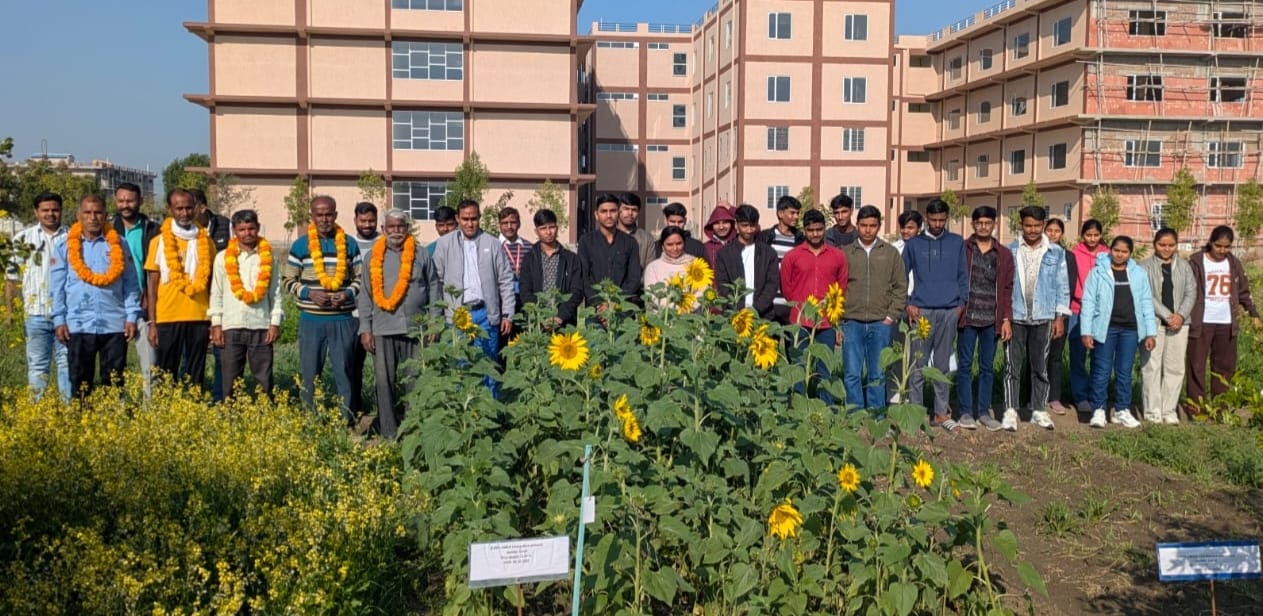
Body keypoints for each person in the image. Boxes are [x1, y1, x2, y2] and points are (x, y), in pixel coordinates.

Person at [358, 209, 440, 439]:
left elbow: (434, 287)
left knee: (416, 380)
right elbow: (365, 294)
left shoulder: (421, 254)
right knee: (385, 383)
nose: (396, 231)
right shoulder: (372, 257)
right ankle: (389, 433)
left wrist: (434, 321)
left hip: (416, 329)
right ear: (383, 229)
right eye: (391, 227)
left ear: (407, 228)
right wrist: (365, 328)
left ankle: (414, 430)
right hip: (383, 328)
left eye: (400, 226)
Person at [282, 195, 364, 423]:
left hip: (343, 319)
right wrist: (309, 293)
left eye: (329, 214)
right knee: (310, 373)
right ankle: (312, 420)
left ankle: (345, 420)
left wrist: (347, 293)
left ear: (335, 215)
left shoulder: (349, 243)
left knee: (345, 372)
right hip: (311, 320)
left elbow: (360, 279)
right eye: (319, 215)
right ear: (312, 216)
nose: (324, 219)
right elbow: (288, 280)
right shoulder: (301, 245)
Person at [50, 194, 141, 397]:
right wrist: (59, 320)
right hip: (79, 323)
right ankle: (82, 417)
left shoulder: (119, 244)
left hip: (114, 324)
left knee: (114, 382)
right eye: (87, 212)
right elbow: (57, 288)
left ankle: (112, 416)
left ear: (106, 216)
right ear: (78, 215)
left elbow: (131, 283)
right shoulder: (65, 246)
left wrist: (131, 316)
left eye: (98, 212)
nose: (93, 218)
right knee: (80, 383)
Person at [433, 199, 515, 396]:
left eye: (474, 219)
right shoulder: (445, 244)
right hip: (457, 315)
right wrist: (436, 318)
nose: (470, 223)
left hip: (486, 314)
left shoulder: (492, 243)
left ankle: (490, 408)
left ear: (480, 218)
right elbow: (437, 282)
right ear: (457, 219)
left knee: (488, 364)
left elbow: (505, 280)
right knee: (460, 365)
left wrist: (507, 314)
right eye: (465, 219)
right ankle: (464, 409)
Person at [1001, 206, 1069, 431]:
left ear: (1043, 225)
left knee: (1040, 366)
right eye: (1028, 225)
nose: (1032, 230)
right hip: (1016, 316)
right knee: (1012, 365)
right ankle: (1010, 410)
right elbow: (1005, 286)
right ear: (1021, 225)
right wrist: (1005, 318)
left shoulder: (1055, 252)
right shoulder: (1010, 251)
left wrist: (1059, 316)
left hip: (1043, 316)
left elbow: (1062, 285)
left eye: (1037, 226)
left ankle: (1039, 409)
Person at [902, 198, 968, 430]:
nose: (938, 224)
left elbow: (963, 276)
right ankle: (916, 412)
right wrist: (907, 304)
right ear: (926, 218)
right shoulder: (914, 244)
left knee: (942, 366)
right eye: (933, 220)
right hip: (921, 311)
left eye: (942, 220)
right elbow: (901, 277)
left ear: (947, 218)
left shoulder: (956, 242)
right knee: (917, 364)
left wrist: (960, 305)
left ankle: (940, 412)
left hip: (949, 311)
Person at [1185, 225, 1261, 418]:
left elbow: (1244, 292)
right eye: (1218, 246)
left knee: (1224, 367)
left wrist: (1253, 313)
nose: (1222, 250)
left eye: (1227, 247)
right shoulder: (1196, 262)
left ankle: (1220, 408)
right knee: (1196, 365)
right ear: (1210, 242)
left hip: (1226, 322)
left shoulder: (1233, 264)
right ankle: (1196, 408)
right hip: (1201, 321)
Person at [1080, 236, 1155, 429]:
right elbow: (1088, 302)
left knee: (1124, 372)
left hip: (1130, 329)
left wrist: (1150, 332)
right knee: (1101, 370)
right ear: (1110, 250)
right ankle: (1099, 409)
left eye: (1124, 251)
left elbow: (1146, 302)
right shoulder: (1098, 272)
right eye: (1116, 250)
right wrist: (1086, 331)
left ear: (1130, 253)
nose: (1120, 254)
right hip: (1105, 329)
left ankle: (1122, 410)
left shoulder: (1138, 274)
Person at [209, 209, 283, 398]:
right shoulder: (222, 258)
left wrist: (275, 323)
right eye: (242, 229)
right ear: (234, 231)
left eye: (251, 228)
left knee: (264, 379)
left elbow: (275, 292)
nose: (247, 233)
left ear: (258, 228)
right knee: (230, 379)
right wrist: (216, 324)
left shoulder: (269, 258)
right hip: (231, 325)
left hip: (261, 325)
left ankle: (264, 412)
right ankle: (230, 414)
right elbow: (216, 292)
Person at [145, 189, 214, 390]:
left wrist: (214, 320)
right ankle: (165, 407)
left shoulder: (206, 242)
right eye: (179, 208)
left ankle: (193, 405)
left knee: (196, 373)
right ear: (169, 209)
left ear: (196, 209)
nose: (185, 213)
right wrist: (152, 323)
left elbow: (211, 283)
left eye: (189, 208)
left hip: (199, 316)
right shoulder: (158, 242)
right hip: (167, 316)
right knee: (166, 372)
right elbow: (152, 286)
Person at [840, 205, 906, 413]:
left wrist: (891, 316)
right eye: (864, 225)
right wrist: (839, 319)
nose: (868, 230)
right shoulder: (846, 253)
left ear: (879, 226)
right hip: (851, 321)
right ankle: (855, 413)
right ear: (857, 225)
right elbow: (838, 286)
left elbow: (900, 286)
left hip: (880, 322)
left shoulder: (890, 253)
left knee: (877, 372)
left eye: (872, 226)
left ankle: (877, 413)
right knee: (852, 372)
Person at [5, 191, 71, 399]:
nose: (50, 214)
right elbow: (12, 279)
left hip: (67, 315)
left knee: (67, 364)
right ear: (36, 212)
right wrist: (10, 312)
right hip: (35, 313)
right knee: (37, 366)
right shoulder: (22, 239)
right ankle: (38, 410)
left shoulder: (73, 237)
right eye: (45, 210)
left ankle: (69, 410)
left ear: (61, 211)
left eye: (55, 210)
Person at [781, 209, 848, 406]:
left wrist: (836, 322)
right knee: (798, 367)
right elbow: (787, 288)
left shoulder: (837, 256)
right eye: (811, 230)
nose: (815, 234)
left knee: (825, 368)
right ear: (804, 230)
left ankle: (825, 409)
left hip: (826, 322)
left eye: (819, 229)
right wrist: (801, 307)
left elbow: (841, 288)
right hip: (800, 320)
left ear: (824, 229)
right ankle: (799, 406)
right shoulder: (792, 256)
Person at [956, 206, 1013, 431]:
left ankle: (983, 412)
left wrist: (1006, 318)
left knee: (987, 367)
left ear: (994, 225)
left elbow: (1007, 289)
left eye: (987, 223)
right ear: (973, 224)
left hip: (991, 319)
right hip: (967, 318)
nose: (983, 226)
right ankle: (965, 411)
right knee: (965, 365)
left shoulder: (1003, 254)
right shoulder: (963, 249)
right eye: (979, 223)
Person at [1139, 228, 1196, 424]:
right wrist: (1167, 315)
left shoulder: (1184, 267)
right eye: (1162, 244)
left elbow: (1191, 292)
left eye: (1171, 245)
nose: (1166, 248)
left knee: (1175, 367)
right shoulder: (1144, 267)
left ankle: (1169, 410)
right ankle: (1152, 411)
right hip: (1153, 323)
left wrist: (1180, 315)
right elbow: (1145, 294)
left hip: (1180, 324)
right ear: (1154, 244)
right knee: (1151, 367)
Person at [110, 181, 160, 395]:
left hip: (145, 304)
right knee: (114, 363)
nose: (125, 205)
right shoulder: (108, 230)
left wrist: (150, 295)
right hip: (115, 305)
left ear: (140, 201)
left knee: (150, 362)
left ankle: (152, 408)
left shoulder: (153, 230)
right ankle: (117, 406)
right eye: (121, 201)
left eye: (130, 201)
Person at [190, 188, 231, 401]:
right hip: (194, 300)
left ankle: (219, 399)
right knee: (192, 354)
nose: (186, 213)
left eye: (191, 207)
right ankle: (192, 399)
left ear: (202, 207)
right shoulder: (182, 231)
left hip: (221, 301)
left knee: (221, 351)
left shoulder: (225, 226)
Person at [1067, 219, 1109, 413]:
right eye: (1088, 235)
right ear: (1082, 235)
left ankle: (1097, 394)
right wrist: (1083, 298)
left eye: (1096, 235)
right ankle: (1080, 395)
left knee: (1099, 355)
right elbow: (1072, 280)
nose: (1092, 238)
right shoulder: (1075, 254)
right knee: (1077, 355)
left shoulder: (1108, 255)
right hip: (1078, 309)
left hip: (1101, 312)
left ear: (1101, 235)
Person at [519, 209, 583, 328]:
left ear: (557, 228)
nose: (548, 232)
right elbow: (525, 290)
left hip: (564, 323)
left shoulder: (571, 259)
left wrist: (560, 316)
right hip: (537, 323)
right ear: (536, 231)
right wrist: (540, 316)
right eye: (543, 228)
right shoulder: (529, 259)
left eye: (552, 227)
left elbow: (576, 291)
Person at [578, 193, 643, 309]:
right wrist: (599, 304)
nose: (609, 215)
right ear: (596, 215)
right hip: (595, 310)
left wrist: (615, 303)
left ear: (618, 213)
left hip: (622, 309)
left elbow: (634, 278)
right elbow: (584, 278)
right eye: (604, 211)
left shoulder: (630, 242)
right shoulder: (586, 242)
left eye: (613, 211)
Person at [715, 204, 779, 319]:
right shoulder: (724, 254)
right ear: (736, 225)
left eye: (752, 225)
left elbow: (772, 285)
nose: (749, 230)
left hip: (763, 316)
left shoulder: (769, 253)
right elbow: (723, 286)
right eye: (744, 226)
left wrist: (755, 310)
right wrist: (739, 309)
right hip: (733, 316)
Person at [888, 210, 923, 404]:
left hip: (919, 305)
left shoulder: (924, 248)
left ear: (919, 228)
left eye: (910, 227)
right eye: (903, 227)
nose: (906, 231)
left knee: (916, 356)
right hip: (898, 305)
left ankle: (912, 397)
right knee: (897, 351)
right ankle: (895, 397)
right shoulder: (894, 249)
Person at [349, 201, 380, 415]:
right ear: (355, 220)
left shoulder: (384, 242)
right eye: (363, 221)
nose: (367, 225)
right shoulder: (348, 244)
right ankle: (356, 410)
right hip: (353, 315)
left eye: (371, 221)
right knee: (352, 366)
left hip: (380, 315)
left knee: (383, 369)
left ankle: (383, 411)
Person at [758, 195, 804, 324]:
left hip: (791, 305)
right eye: (792, 213)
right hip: (768, 304)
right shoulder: (765, 238)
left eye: (798, 213)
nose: (796, 217)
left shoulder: (800, 240)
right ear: (780, 213)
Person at [1043, 218, 1071, 415]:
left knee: (1055, 357)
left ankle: (1054, 397)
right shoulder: (1038, 253)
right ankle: (1034, 397)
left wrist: (1060, 313)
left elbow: (1068, 284)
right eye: (1049, 230)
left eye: (1057, 231)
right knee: (1036, 357)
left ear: (1062, 234)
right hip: (1039, 312)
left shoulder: (1067, 256)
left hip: (1060, 313)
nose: (1053, 234)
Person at [643, 226, 703, 310]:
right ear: (662, 246)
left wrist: (687, 308)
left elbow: (702, 291)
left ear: (684, 243)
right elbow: (652, 295)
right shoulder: (653, 268)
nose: (675, 248)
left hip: (691, 314)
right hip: (662, 315)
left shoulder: (695, 264)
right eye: (669, 244)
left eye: (679, 243)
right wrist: (675, 309)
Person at [498, 206, 532, 310]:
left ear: (519, 224)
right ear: (499, 225)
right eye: (505, 223)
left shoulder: (529, 247)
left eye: (513, 222)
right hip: (501, 300)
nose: (509, 226)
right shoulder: (493, 246)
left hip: (524, 301)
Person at [618, 192, 657, 270]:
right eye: (626, 209)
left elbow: (650, 269)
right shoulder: (609, 235)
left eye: (634, 210)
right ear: (618, 210)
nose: (630, 213)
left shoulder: (646, 238)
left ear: (638, 212)